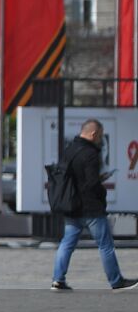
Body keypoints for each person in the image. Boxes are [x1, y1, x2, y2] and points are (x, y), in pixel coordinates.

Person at [51, 119, 138, 291]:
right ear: (93, 134)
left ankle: (57, 280)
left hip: (71, 206)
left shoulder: (69, 150)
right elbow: (90, 183)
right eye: (99, 135)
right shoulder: (90, 153)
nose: (100, 140)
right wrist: (102, 192)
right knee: (105, 245)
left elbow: (74, 178)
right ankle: (116, 282)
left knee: (66, 244)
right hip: (91, 209)